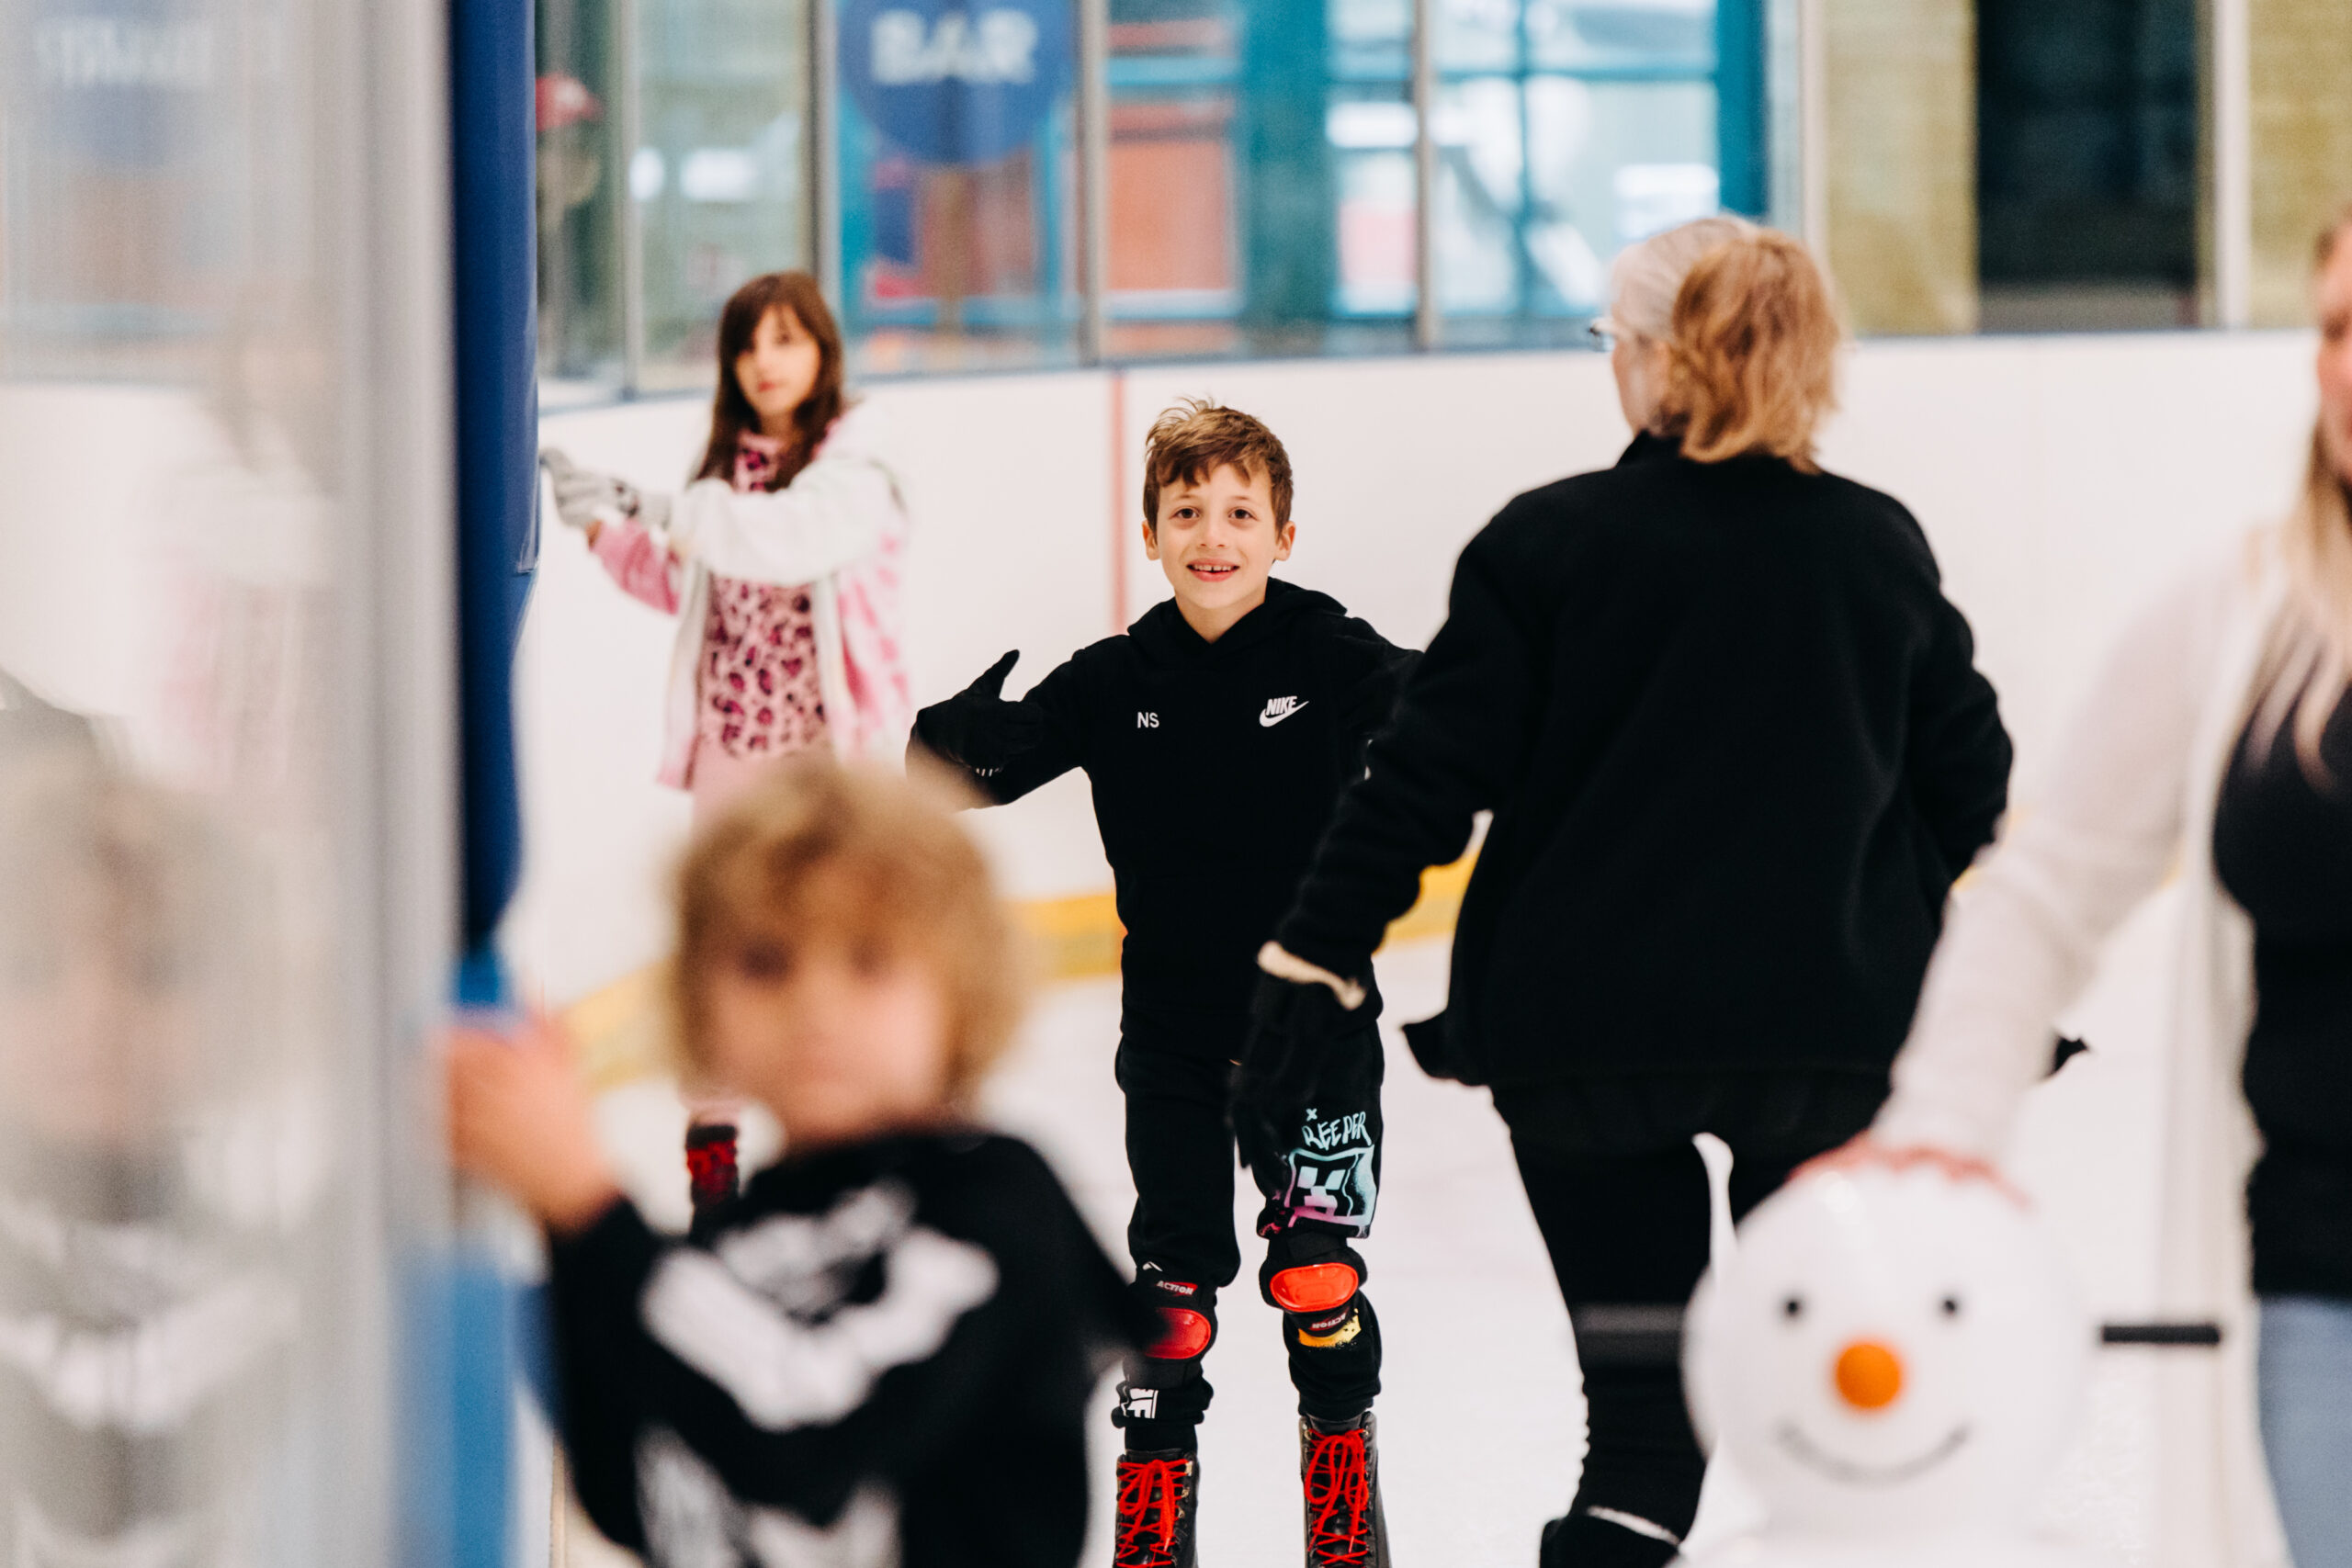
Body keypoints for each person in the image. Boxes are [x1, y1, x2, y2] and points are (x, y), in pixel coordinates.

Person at [1236, 219, 2013, 1568]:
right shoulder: (1873, 547)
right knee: (1819, 1402)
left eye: (1613, 344)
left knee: (1644, 1436)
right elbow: (1974, 793)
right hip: (1821, 1047)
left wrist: (1314, 955)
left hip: (1587, 1051)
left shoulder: (1546, 547)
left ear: (1658, 361)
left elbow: (1424, 781)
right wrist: (2007, 999)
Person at [1839, 205, 2352, 1568]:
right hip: (2326, 1286)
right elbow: (2043, 893)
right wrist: (1935, 1135)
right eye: (2341, 326)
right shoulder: (2241, 612)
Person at [910, 400, 1415, 1568]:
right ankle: (1154, 1518)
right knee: (1170, 1304)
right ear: (1149, 533)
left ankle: (1339, 1485)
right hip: (1176, 1050)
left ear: (1284, 534)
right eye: (1186, 512)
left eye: (1240, 512)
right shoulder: (1111, 680)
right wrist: (947, 740)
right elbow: (967, 775)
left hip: (1313, 1038)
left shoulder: (1332, 658)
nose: (1212, 534)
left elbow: (1455, 716)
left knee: (1318, 1275)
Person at [445, 759, 1136, 1568]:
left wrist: (588, 1209)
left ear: (963, 995)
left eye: (869, 960)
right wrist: (560, 1230)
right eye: (765, 962)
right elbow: (642, 1497)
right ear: (701, 1006)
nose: (816, 1003)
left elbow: (807, 1433)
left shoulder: (996, 1204)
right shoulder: (739, 1236)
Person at [541, 270, 911, 1235]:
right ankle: (715, 1169)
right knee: (730, 956)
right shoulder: (722, 475)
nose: (765, 364)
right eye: (748, 346)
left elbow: (782, 543)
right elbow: (691, 584)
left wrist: (660, 506)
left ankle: (846, 1155)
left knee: (831, 951)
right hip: (732, 760)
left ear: (823, 352)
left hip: (825, 766)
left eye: (786, 341)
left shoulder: (856, 470)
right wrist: (599, 523)